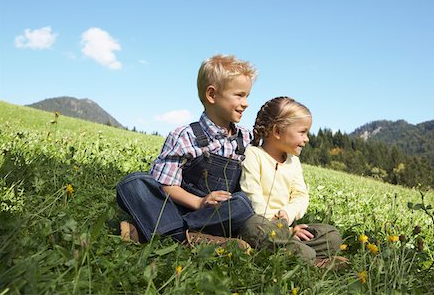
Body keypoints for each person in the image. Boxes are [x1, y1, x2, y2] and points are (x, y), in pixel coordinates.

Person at [116, 54, 257, 247]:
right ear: (212, 95)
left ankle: (166, 232)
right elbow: (165, 185)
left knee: (242, 203)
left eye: (247, 96)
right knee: (134, 184)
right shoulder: (184, 136)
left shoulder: (247, 138)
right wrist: (199, 203)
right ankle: (193, 237)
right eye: (240, 95)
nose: (246, 103)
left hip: (221, 215)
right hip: (183, 208)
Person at [238, 96, 348, 268]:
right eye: (302, 132)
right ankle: (309, 259)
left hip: (286, 229)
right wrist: (284, 229)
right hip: (262, 225)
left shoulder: (293, 161)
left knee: (332, 235)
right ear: (277, 131)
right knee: (253, 226)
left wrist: (288, 216)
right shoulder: (254, 155)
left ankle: (288, 251)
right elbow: (253, 198)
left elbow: (300, 196)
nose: (307, 139)